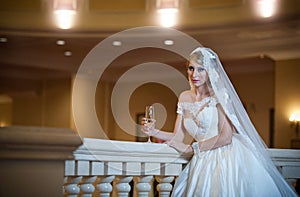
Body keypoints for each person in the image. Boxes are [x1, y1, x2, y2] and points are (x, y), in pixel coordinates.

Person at [142, 47, 297, 196]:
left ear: (210, 71)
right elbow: (178, 135)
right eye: (191, 68)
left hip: (226, 156)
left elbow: (226, 137)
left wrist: (193, 149)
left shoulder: (220, 96)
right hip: (201, 158)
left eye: (201, 69)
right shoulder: (184, 97)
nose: (194, 74)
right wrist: (154, 131)